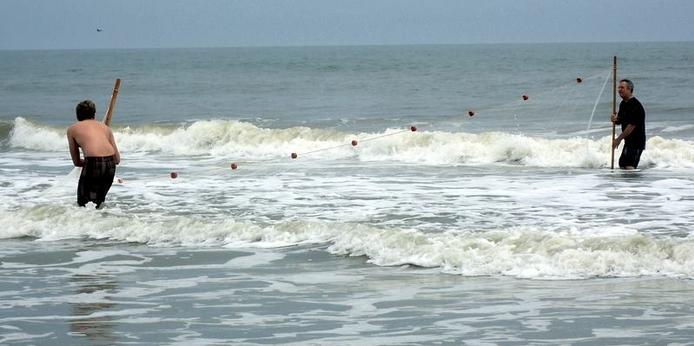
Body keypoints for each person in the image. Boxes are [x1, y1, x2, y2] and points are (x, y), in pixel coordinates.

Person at [67, 100, 121, 208]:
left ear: (77, 115)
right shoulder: (106, 128)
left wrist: (88, 164)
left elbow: (76, 162)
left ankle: (84, 223)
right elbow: (117, 159)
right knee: (99, 202)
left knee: (83, 203)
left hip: (92, 163)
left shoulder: (72, 129)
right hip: (110, 164)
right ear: (94, 114)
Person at [611, 79, 646, 169]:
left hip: (637, 142)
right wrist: (614, 119)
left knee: (629, 166)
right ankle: (627, 183)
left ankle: (634, 183)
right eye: (618, 88)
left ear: (629, 89)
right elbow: (620, 121)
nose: (619, 90)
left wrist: (618, 139)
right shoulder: (623, 104)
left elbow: (631, 126)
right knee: (622, 164)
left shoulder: (636, 105)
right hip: (628, 141)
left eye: (622, 87)